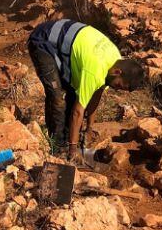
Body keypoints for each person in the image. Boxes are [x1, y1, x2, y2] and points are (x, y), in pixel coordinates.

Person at [27, 19, 145, 163]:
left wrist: (89, 129)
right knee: (57, 97)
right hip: (44, 40)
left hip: (65, 42)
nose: (117, 89)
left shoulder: (114, 61)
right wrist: (73, 148)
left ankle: (67, 139)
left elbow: (95, 95)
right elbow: (78, 111)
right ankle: (57, 148)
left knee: (72, 94)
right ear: (117, 72)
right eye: (120, 86)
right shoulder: (96, 71)